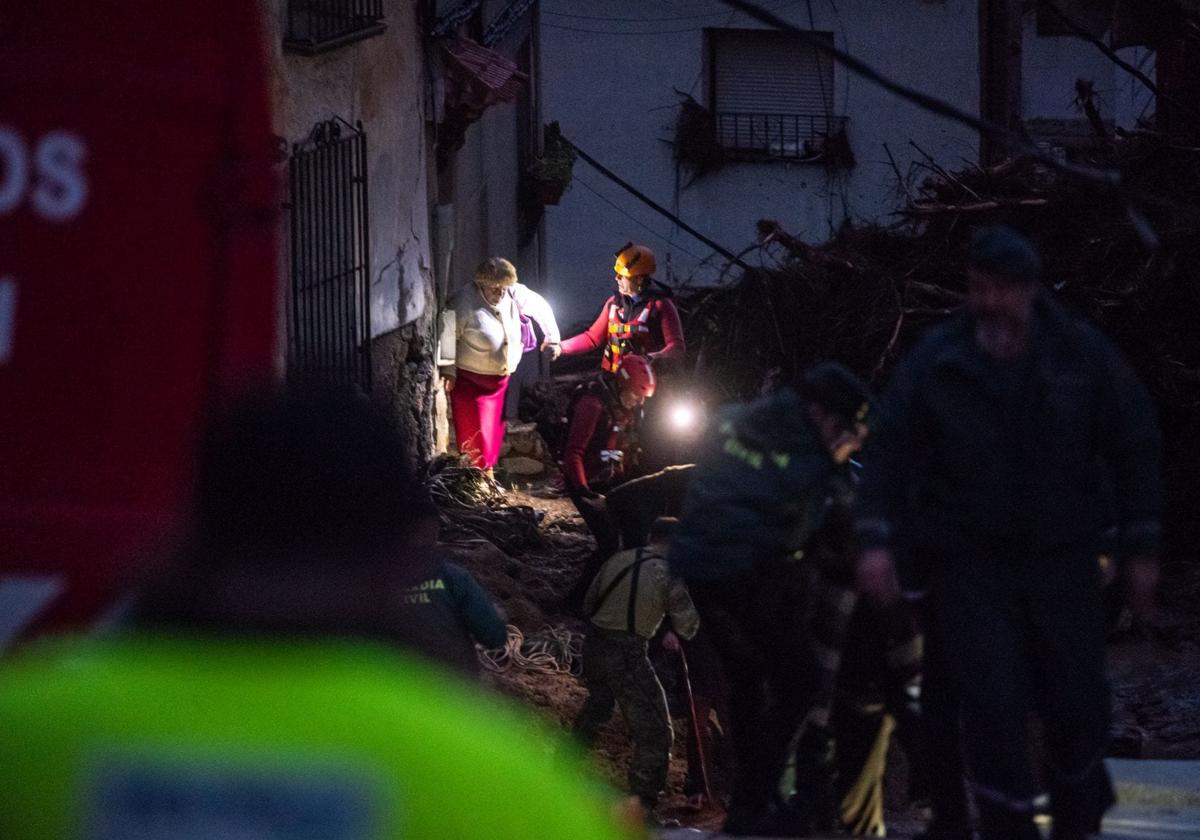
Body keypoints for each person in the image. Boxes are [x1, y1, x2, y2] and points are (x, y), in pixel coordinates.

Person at [0, 385, 638, 840]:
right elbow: (494, 633)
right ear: (395, 552)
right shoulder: (507, 788)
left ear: (188, 529)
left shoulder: (24, 729)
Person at [855, 226, 1163, 840]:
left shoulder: (1080, 355)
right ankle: (1008, 827)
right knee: (992, 705)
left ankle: (1078, 815)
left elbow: (1135, 444)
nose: (990, 303)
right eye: (979, 288)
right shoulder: (940, 360)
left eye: (1002, 290)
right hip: (971, 564)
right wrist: (876, 539)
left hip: (1063, 560)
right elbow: (888, 448)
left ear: (1028, 289)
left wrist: (1142, 547)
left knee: (1075, 702)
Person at [669, 362, 873, 836]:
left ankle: (755, 805)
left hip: (697, 568)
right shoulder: (808, 454)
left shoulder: (731, 420)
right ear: (823, 414)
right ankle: (753, 804)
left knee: (748, 680)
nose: (849, 444)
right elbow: (844, 510)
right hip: (748, 571)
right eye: (847, 432)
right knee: (801, 682)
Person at [573, 516, 700, 818]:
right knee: (656, 732)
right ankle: (642, 805)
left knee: (597, 709)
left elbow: (589, 603)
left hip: (593, 644)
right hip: (627, 652)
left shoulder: (618, 559)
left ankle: (561, 771)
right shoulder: (668, 573)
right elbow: (690, 626)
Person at [438, 257, 560, 472]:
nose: (500, 293)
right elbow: (446, 334)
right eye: (494, 288)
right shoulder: (462, 302)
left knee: (493, 436)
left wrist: (552, 337)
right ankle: (477, 482)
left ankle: (486, 477)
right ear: (480, 284)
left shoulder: (513, 292)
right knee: (475, 436)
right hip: (470, 382)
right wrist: (448, 369)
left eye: (503, 288)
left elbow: (539, 306)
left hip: (500, 382)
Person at [560, 355, 657, 607]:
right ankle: (575, 602)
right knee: (609, 544)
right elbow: (574, 452)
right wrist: (584, 491)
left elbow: (614, 447)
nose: (640, 401)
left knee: (634, 536)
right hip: (584, 480)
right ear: (623, 385)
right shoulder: (592, 404)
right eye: (637, 395)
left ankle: (615, 594)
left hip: (605, 475)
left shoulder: (625, 405)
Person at [559, 242, 684, 373]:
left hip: (647, 383)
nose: (616, 278)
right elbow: (592, 338)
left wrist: (653, 357)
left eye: (622, 276)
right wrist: (561, 347)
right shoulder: (613, 304)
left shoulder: (661, 305)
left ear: (640, 279)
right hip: (613, 381)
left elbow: (676, 347)